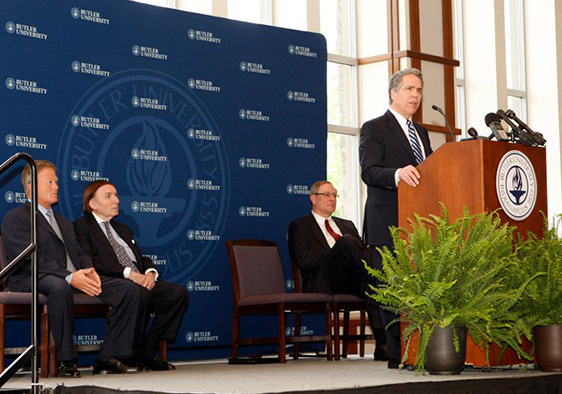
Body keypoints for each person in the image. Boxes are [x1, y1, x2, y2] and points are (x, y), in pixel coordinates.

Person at [2, 160, 141, 377]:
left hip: (73, 276)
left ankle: (109, 356)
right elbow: (31, 258)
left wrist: (89, 270)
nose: (56, 186)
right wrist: (69, 277)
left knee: (129, 290)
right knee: (59, 287)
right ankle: (66, 360)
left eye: (56, 182)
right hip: (33, 278)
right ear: (31, 186)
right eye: (50, 182)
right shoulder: (16, 218)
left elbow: (80, 253)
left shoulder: (63, 221)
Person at [359, 68, 433, 368]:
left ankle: (418, 348)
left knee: (416, 285)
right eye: (409, 89)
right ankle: (396, 352)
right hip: (385, 218)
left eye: (419, 90)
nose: (415, 95)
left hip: (417, 221)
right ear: (393, 93)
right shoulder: (375, 127)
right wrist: (398, 174)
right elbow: (368, 171)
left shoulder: (422, 133)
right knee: (391, 288)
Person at [74, 180, 189, 371]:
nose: (116, 200)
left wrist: (150, 273)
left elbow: (139, 258)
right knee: (137, 291)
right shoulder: (81, 227)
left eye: (116, 195)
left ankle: (146, 349)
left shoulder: (122, 228)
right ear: (92, 204)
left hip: (137, 280)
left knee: (177, 294)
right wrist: (128, 274)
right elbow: (91, 261)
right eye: (108, 196)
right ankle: (113, 355)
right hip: (109, 281)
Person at [288, 180, 387, 360]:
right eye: (326, 194)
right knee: (347, 242)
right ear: (313, 198)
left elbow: (361, 254)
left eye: (334, 195)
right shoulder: (300, 225)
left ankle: (384, 344)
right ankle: (381, 276)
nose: (332, 199)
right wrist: (336, 253)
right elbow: (303, 260)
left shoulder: (346, 224)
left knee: (372, 285)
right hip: (322, 280)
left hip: (351, 280)